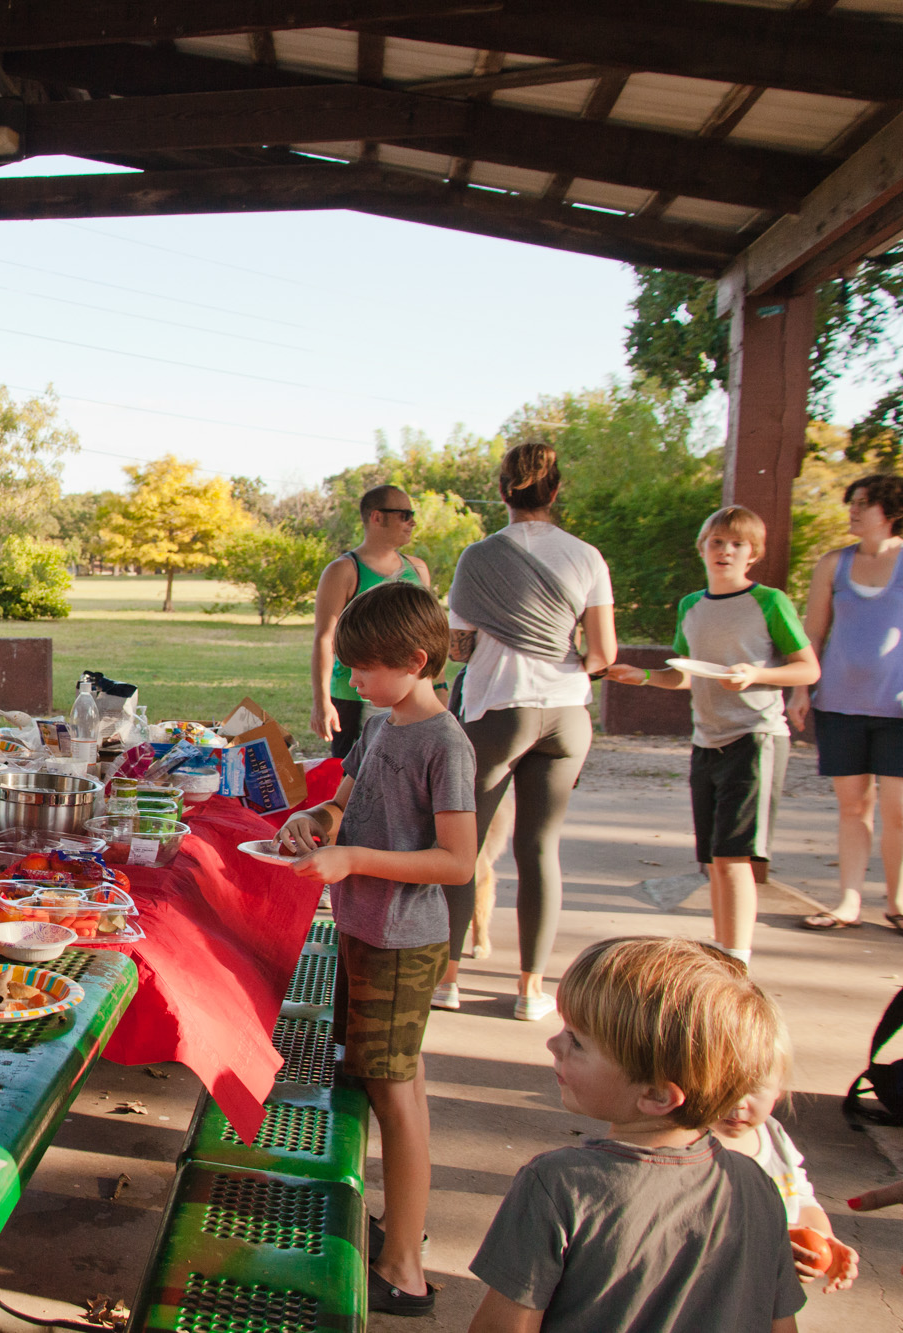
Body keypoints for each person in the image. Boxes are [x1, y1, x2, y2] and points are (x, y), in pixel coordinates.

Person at [276, 581, 478, 1318]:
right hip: (362, 927)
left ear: (415, 660)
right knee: (393, 1077)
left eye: (361, 670)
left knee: (396, 1090)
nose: (350, 681)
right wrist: (315, 821)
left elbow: (457, 861)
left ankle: (404, 1264)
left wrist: (354, 861)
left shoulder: (444, 743)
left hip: (403, 938)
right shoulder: (385, 722)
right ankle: (398, 1226)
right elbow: (348, 801)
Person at [468, 937, 801, 1333]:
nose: (553, 1043)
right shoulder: (755, 1185)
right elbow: (782, 1325)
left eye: (577, 1041)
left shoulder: (556, 1185)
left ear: (657, 1095)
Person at [445, 443, 617, 1020]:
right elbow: (603, 654)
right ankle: (529, 990)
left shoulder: (478, 557)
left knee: (462, 848)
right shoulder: (587, 557)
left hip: (500, 708)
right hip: (567, 712)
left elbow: (457, 647)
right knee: (540, 849)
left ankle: (448, 980)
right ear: (556, 490)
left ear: (501, 491)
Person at [604, 507, 819, 964]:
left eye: (738, 544)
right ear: (702, 548)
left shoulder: (770, 602)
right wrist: (641, 676)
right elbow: (684, 674)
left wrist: (754, 673)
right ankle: (723, 954)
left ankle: (736, 962)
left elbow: (808, 667)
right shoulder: (690, 606)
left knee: (735, 857)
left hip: (755, 736)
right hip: (707, 739)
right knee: (715, 861)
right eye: (717, 542)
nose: (726, 551)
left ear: (753, 554)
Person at [788, 473, 903, 932]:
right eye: (851, 502)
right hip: (839, 704)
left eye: (863, 503)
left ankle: (897, 903)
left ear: (890, 511)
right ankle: (847, 903)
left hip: (897, 709)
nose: (853, 510)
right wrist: (800, 690)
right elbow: (811, 635)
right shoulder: (833, 564)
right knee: (853, 807)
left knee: (898, 810)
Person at [710, 1037, 859, 1294]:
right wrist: (771, 1242)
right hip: (717, 1294)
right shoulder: (693, 1147)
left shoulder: (774, 1135)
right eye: (724, 1086)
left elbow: (801, 1200)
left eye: (755, 1088)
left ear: (778, 1089)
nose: (738, 1102)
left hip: (769, 1293)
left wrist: (824, 1240)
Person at [310, 485, 432, 759]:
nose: (413, 522)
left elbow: (430, 636)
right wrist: (322, 702)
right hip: (354, 695)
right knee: (350, 778)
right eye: (405, 514)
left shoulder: (418, 570)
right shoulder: (343, 570)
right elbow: (325, 638)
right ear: (377, 517)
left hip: (409, 696)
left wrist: (439, 688)